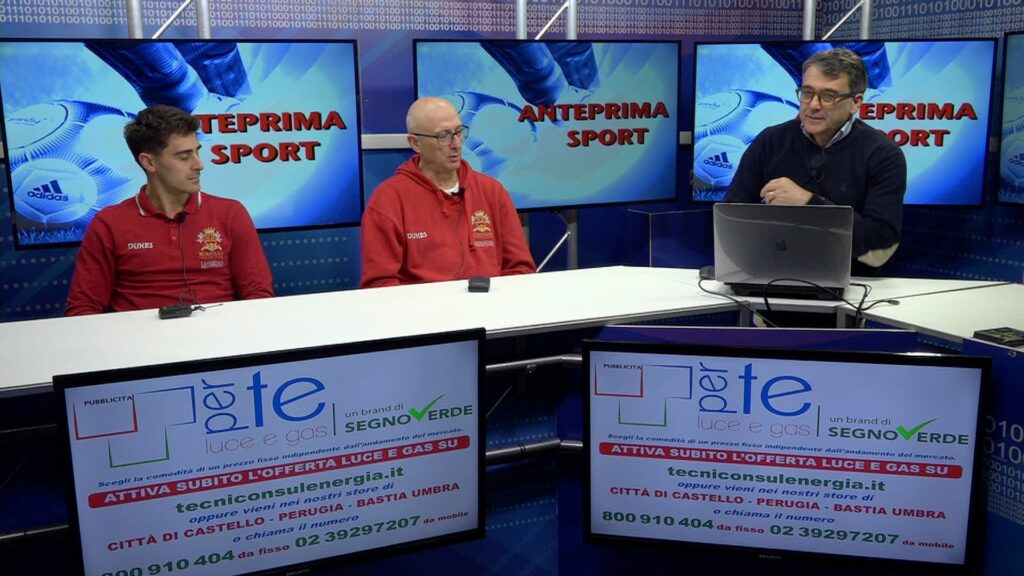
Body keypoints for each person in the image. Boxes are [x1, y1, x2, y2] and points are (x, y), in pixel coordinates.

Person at [65, 105, 273, 315]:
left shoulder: (230, 213)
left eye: (197, 152)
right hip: (137, 334)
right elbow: (83, 309)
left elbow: (258, 295)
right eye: (184, 156)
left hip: (219, 331)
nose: (199, 165)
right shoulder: (109, 223)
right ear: (149, 162)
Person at [726, 48, 907, 270]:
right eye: (807, 93)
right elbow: (729, 219)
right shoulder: (770, 141)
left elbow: (881, 242)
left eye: (828, 96)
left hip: (852, 279)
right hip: (768, 272)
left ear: (856, 102)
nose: (813, 105)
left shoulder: (883, 155)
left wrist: (808, 203)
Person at [360, 96, 536, 288]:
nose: (457, 144)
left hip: (490, 305)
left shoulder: (492, 191)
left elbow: (520, 269)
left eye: (459, 132)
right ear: (416, 143)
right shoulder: (388, 201)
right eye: (443, 136)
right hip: (422, 307)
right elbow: (380, 285)